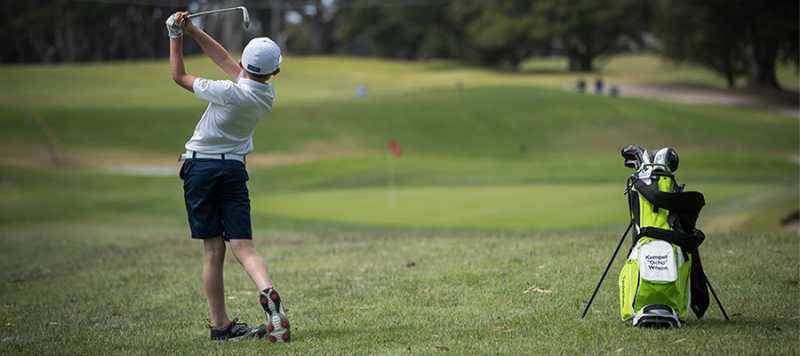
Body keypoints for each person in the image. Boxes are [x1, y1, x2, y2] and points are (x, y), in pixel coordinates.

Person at [165, 12, 290, 343]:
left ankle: (221, 326)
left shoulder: (225, 90)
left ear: (243, 63)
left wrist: (175, 36)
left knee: (212, 251)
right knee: (243, 246)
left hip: (200, 168)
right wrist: (192, 29)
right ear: (274, 71)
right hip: (234, 169)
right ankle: (268, 291)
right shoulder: (266, 96)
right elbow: (225, 60)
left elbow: (178, 76)